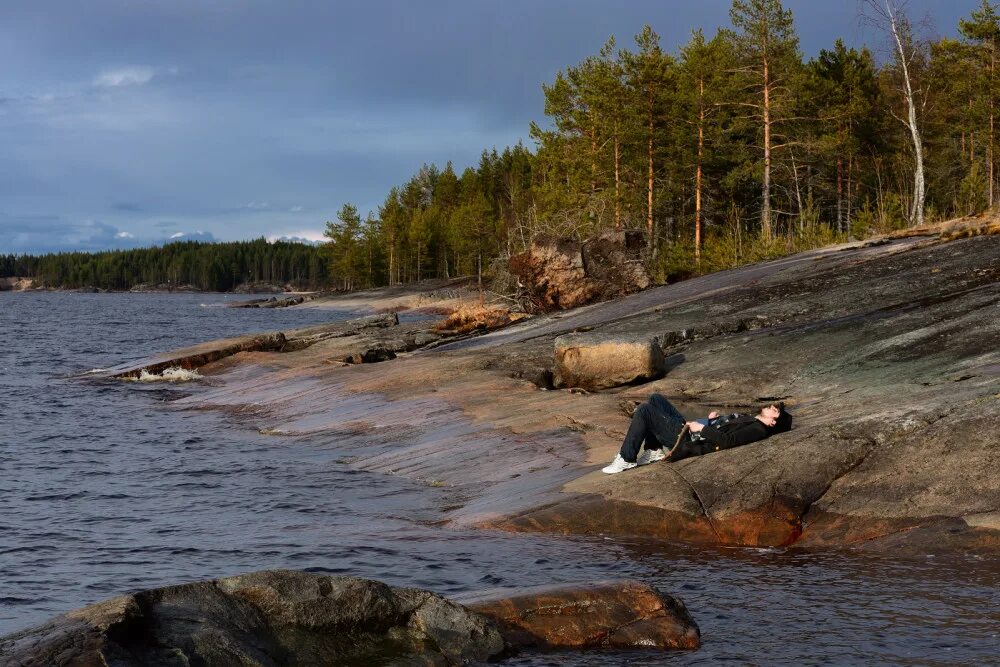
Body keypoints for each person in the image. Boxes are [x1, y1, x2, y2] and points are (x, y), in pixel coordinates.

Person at [601, 394, 792, 474]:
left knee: (644, 410)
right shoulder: (752, 419)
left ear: (774, 422)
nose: (772, 406)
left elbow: (728, 441)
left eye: (775, 410)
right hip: (693, 430)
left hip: (687, 439)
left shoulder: (758, 429)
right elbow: (724, 428)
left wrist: (702, 429)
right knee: (656, 398)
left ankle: (626, 458)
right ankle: (654, 449)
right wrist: (709, 420)